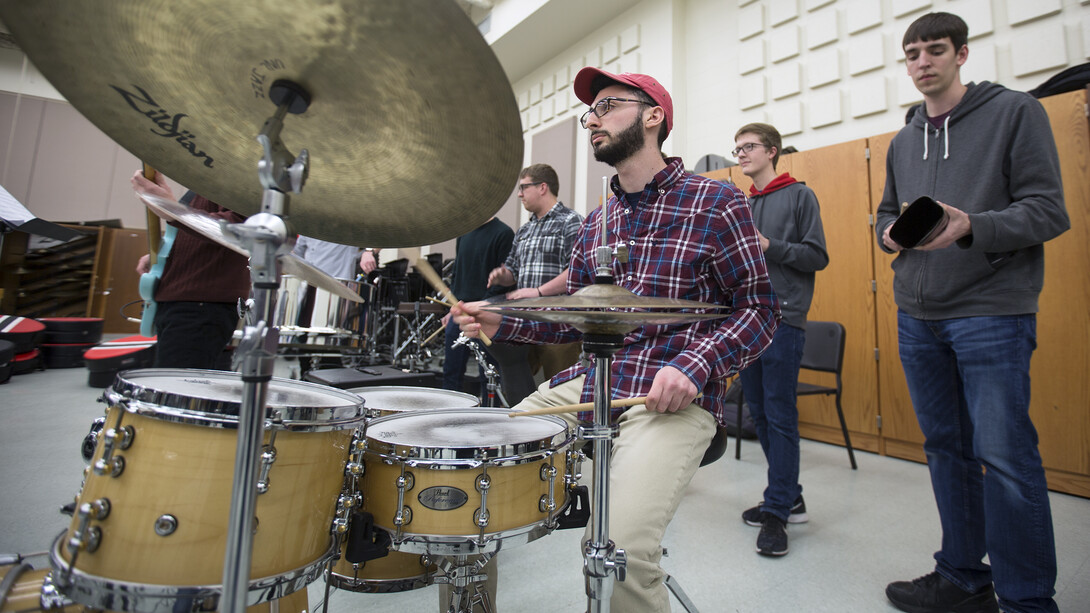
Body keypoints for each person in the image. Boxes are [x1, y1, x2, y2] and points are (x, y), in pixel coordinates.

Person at [454, 68, 778, 612]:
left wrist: (696, 365)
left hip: (673, 398)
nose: (592, 121)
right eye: (590, 112)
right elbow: (575, 320)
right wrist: (500, 322)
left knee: (619, 549)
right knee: (479, 462)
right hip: (594, 380)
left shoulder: (716, 203)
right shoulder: (598, 223)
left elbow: (761, 310)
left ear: (654, 116)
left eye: (607, 106)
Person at [876, 12, 1069, 613]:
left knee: (1006, 457)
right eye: (911, 54)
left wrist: (972, 226)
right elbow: (884, 214)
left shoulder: (1015, 113)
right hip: (917, 314)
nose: (922, 62)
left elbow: (1048, 211)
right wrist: (888, 236)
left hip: (990, 311)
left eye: (935, 50)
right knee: (945, 450)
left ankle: (1027, 600)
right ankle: (962, 574)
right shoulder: (904, 138)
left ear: (962, 54)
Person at [733, 122, 828, 557]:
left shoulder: (799, 195)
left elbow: (816, 256)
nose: (741, 154)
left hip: (783, 319)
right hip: (748, 322)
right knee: (763, 416)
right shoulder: (743, 203)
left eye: (748, 147)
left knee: (780, 415)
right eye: (737, 148)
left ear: (772, 151)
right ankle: (789, 495)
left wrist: (769, 244)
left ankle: (778, 511)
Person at [484, 164, 584, 405]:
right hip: (524, 320)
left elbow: (578, 270)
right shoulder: (524, 230)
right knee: (519, 388)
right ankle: (527, 438)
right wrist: (503, 275)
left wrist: (539, 292)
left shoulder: (571, 221)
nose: (519, 194)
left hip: (559, 323)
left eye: (523, 187)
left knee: (561, 392)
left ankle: (565, 441)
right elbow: (513, 271)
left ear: (542, 187)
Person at [132, 170, 250, 370]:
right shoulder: (208, 183)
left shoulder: (240, 178)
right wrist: (163, 255)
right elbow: (192, 231)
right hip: (186, 303)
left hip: (200, 305)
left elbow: (242, 226)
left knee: (175, 390)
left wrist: (173, 209)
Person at [441, 216, 514, 395]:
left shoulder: (504, 233)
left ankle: (490, 418)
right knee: (451, 372)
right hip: (460, 313)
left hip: (486, 314)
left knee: (489, 374)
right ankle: (448, 416)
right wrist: (453, 308)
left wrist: (481, 306)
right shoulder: (463, 233)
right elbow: (457, 274)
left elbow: (505, 282)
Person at [291, 234, 362, 279]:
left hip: (337, 288)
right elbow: (297, 253)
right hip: (307, 286)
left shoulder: (350, 224)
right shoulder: (309, 223)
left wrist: (369, 251)